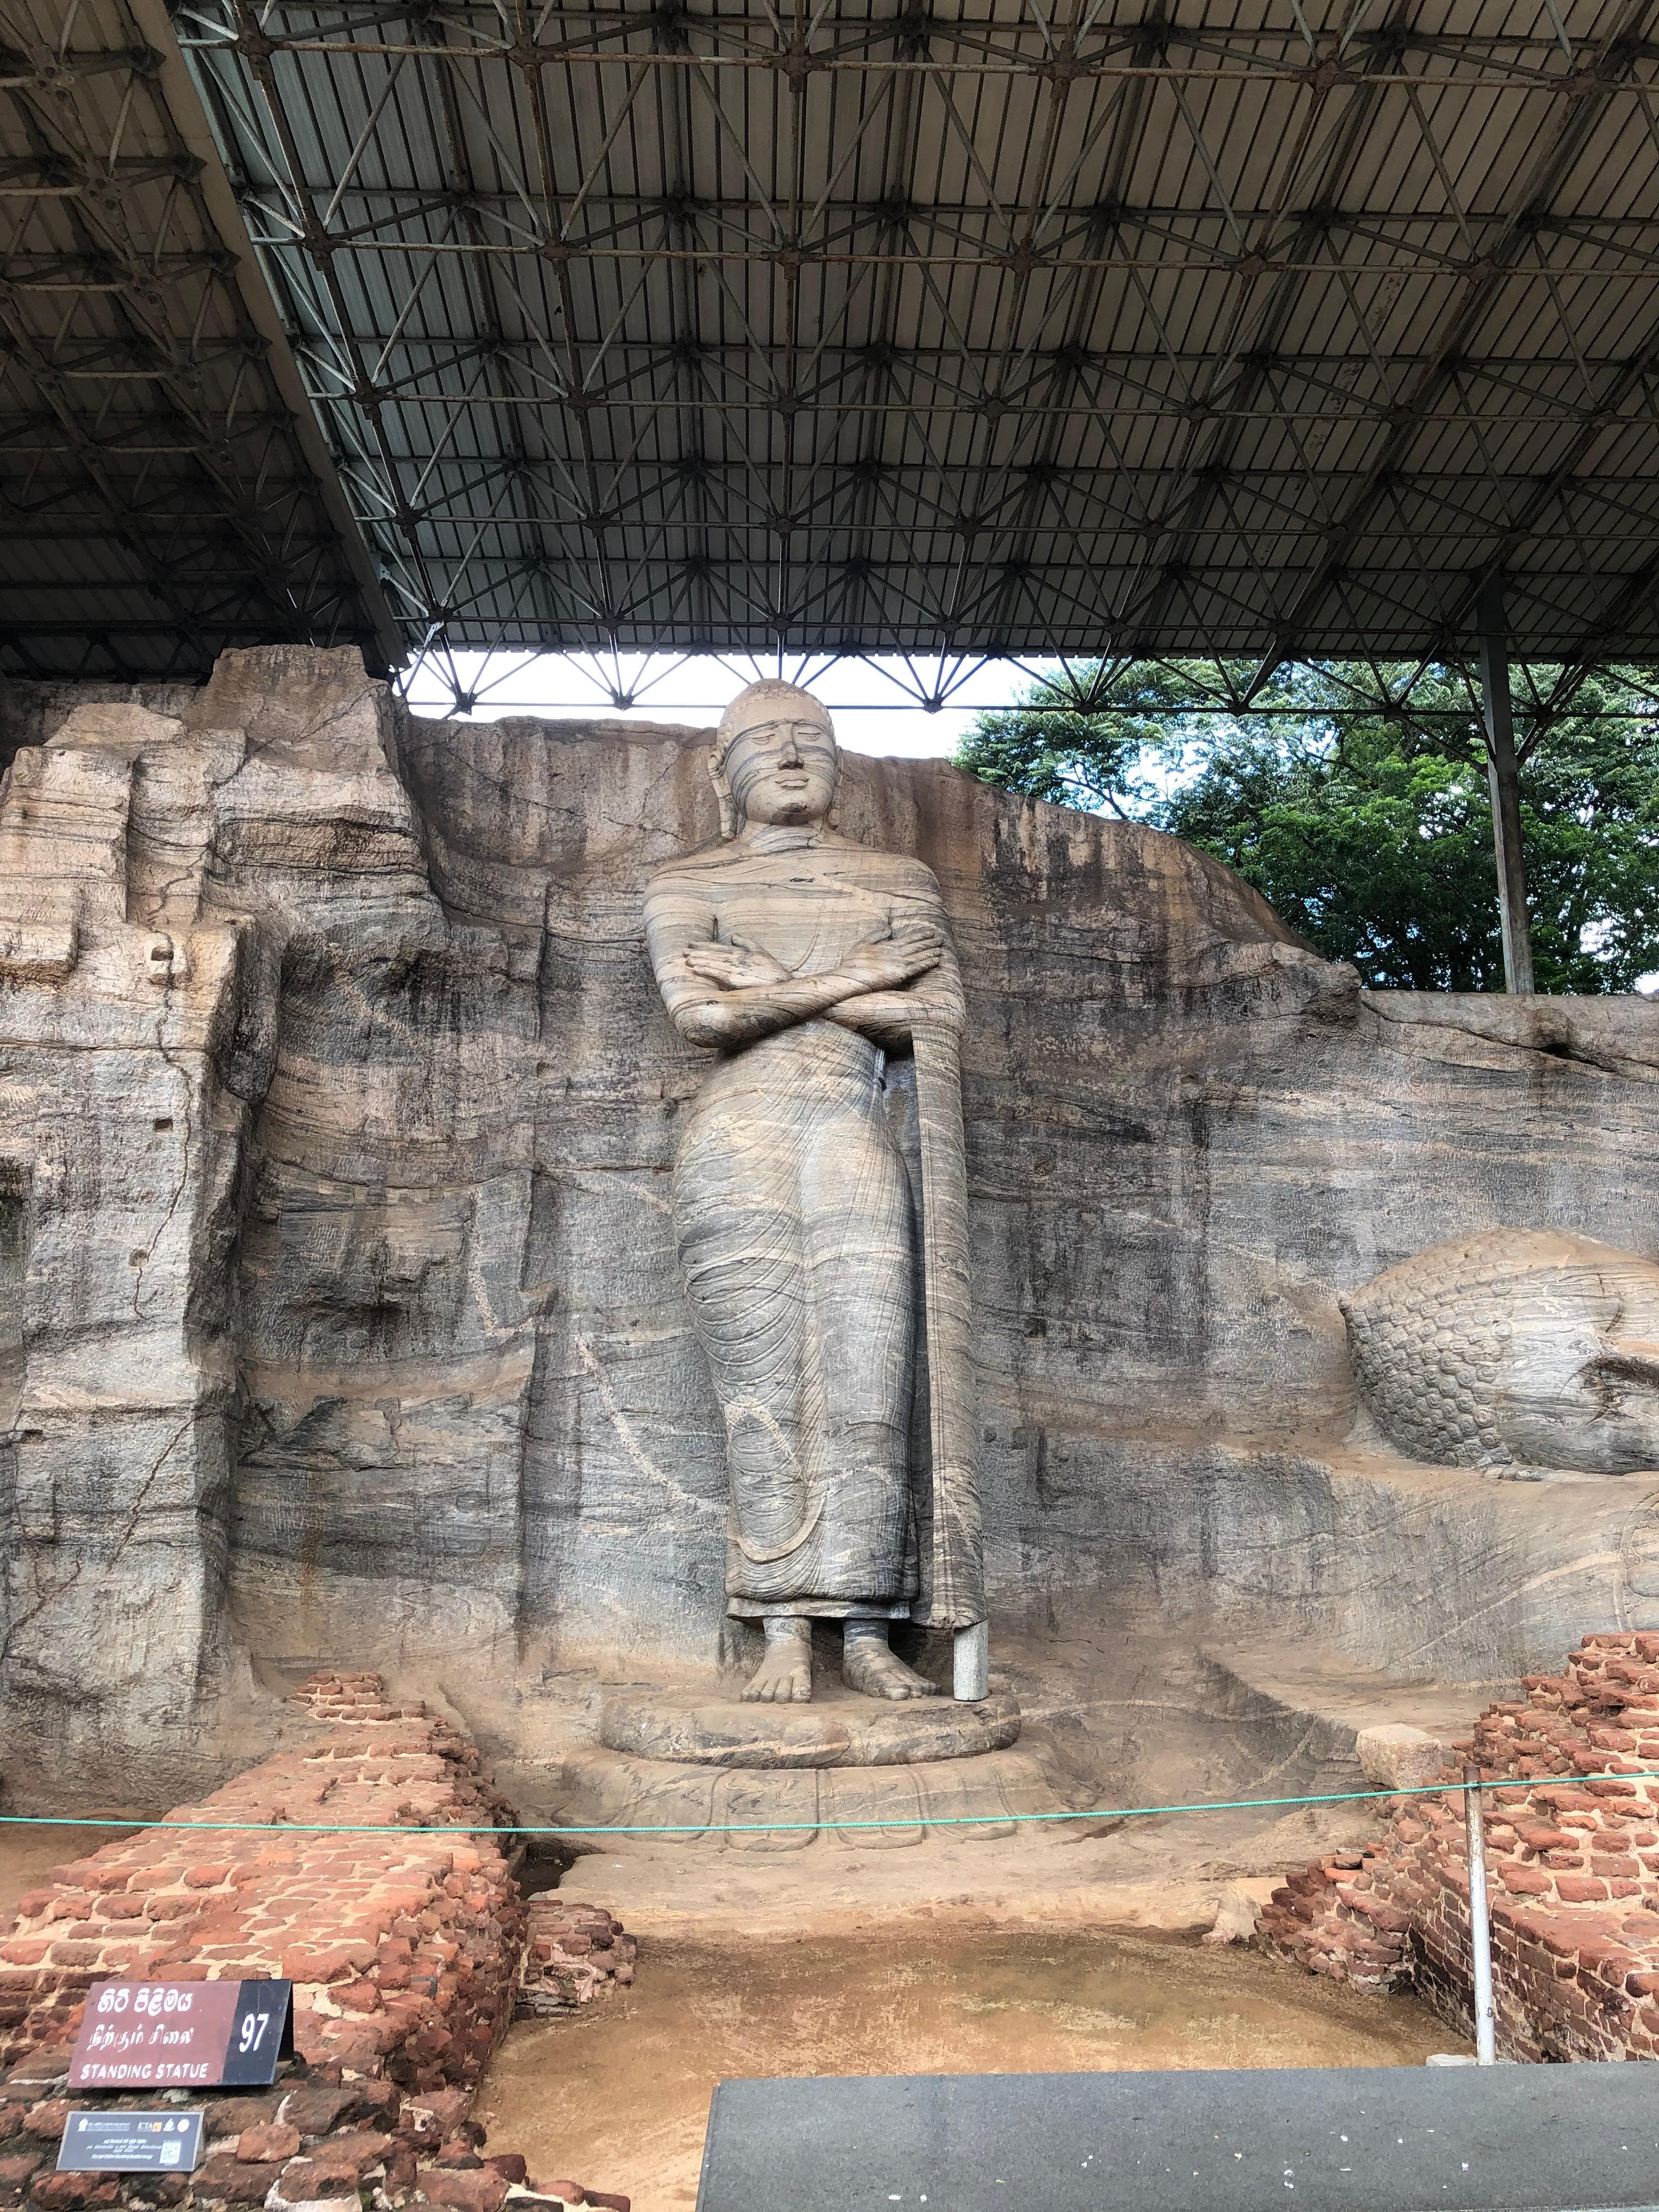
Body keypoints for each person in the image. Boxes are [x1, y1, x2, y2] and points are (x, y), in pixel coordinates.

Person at [643, 679, 967, 1703]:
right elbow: (698, 1021)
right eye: (763, 741)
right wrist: (860, 977)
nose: (790, 756)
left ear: (840, 765)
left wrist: (762, 985)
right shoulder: (686, 882)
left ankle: (867, 1627)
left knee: (870, 1374)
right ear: (722, 771)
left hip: (852, 1124)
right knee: (763, 1377)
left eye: (811, 741)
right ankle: (783, 1622)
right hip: (738, 1134)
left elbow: (938, 1019)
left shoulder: (893, 877)